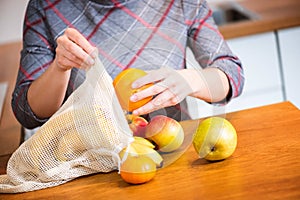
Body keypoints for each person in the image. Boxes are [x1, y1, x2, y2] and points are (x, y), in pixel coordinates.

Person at [12, 0, 244, 130]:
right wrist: (59, 68)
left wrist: (191, 81)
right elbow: (27, 113)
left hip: (169, 156)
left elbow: (231, 74)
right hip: (88, 164)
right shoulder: (46, 7)